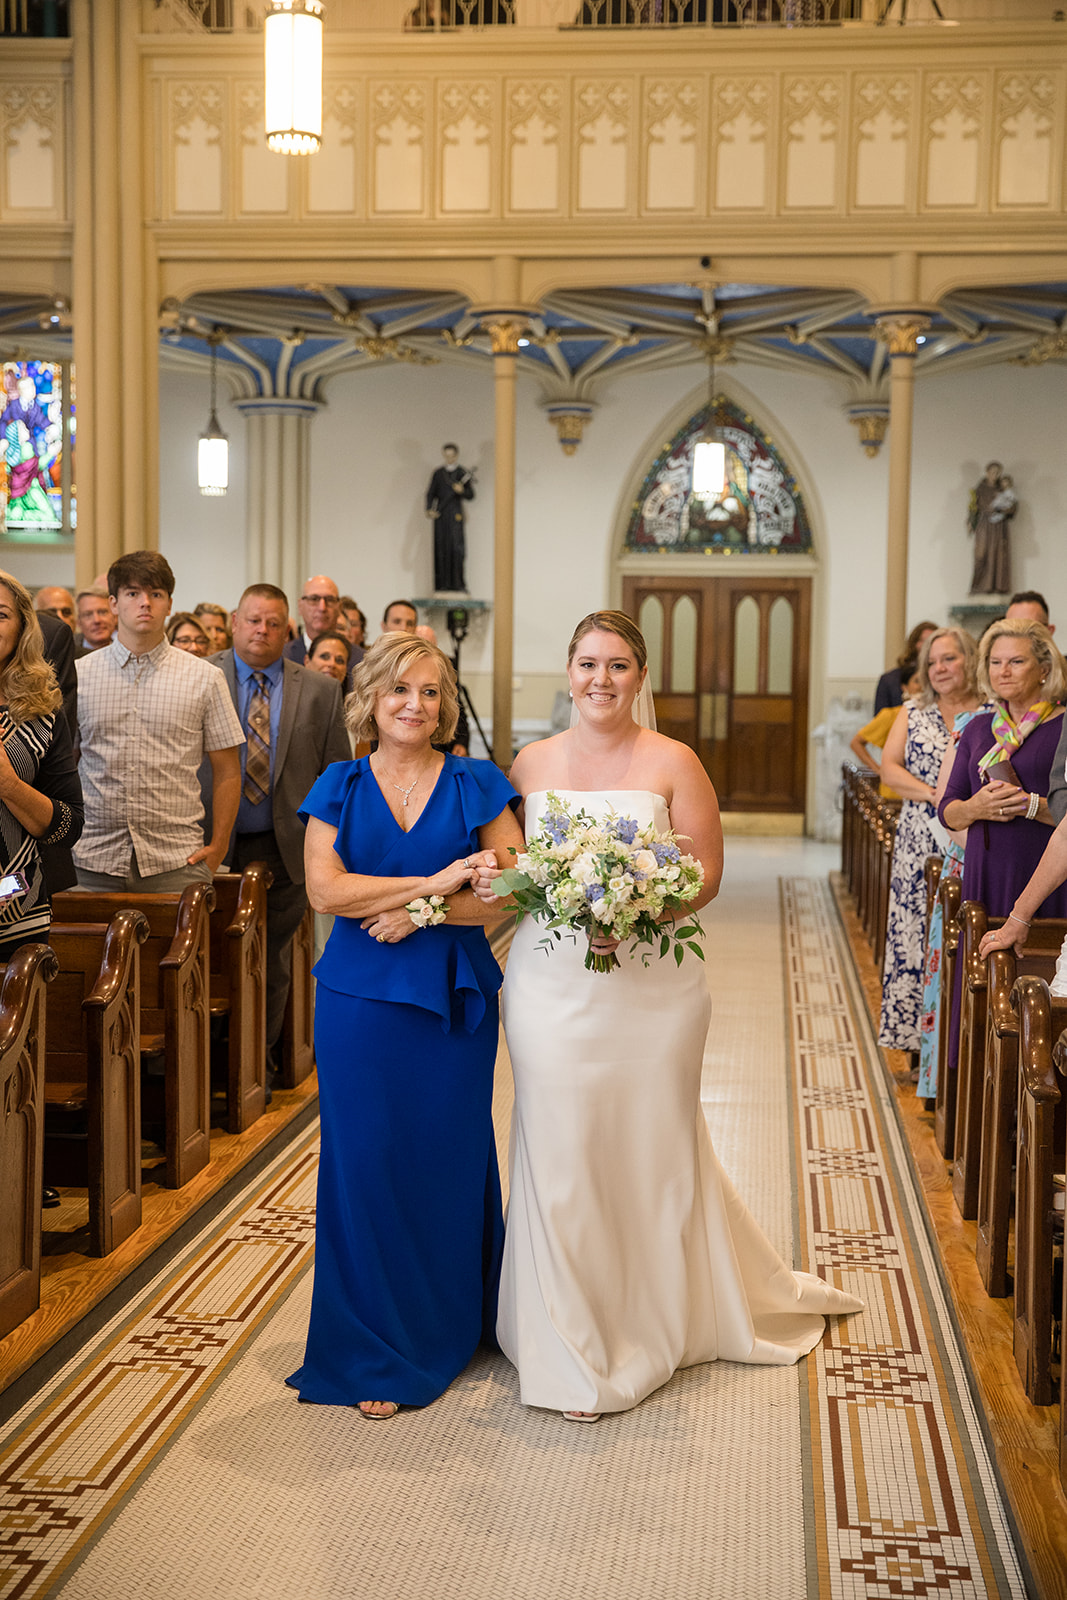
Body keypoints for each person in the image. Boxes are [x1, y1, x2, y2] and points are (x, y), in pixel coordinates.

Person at [472, 610, 861, 1420]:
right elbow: (514, 871)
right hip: (549, 985)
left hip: (652, 991)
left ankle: (659, 1316)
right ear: (568, 670)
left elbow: (705, 872)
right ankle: (566, 1334)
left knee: (650, 1142)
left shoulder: (673, 760)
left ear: (640, 676)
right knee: (559, 1144)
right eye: (586, 663)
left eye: (617, 665)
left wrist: (636, 908)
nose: (600, 679)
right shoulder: (531, 761)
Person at [287, 632, 524, 1419]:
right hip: (357, 1002)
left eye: (428, 691)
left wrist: (416, 911)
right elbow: (324, 890)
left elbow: (517, 888)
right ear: (370, 701)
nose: (414, 705)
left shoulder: (476, 781)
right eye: (398, 690)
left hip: (450, 1000)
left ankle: (455, 1322)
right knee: (365, 1163)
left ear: (444, 703)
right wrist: (437, 880)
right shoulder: (338, 783)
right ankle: (374, 1345)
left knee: (445, 1155)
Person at [203, 584, 350, 1077]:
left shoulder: (321, 691)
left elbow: (336, 777)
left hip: (287, 846)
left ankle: (254, 1069)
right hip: (209, 841)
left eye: (272, 623)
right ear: (234, 621)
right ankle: (207, 1069)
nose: (261, 631)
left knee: (272, 960)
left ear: (286, 629)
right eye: (252, 620)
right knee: (208, 959)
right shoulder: (204, 677)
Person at [938, 618, 1067, 1072]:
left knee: (1035, 986)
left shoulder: (1062, 726)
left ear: (1043, 666)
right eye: (995, 663)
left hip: (1044, 872)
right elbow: (948, 810)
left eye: (1016, 662)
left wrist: (1029, 805)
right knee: (981, 978)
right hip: (986, 869)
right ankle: (977, 1085)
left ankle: (1029, 1086)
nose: (1003, 672)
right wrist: (976, 807)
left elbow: (1065, 814)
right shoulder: (978, 729)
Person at [74, 552, 244, 894]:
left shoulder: (205, 678)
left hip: (176, 858)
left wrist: (220, 845)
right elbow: (63, 761)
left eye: (156, 594)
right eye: (133, 593)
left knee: (180, 949)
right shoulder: (81, 675)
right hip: (92, 858)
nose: (145, 604)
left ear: (169, 603)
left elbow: (227, 770)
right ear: (113, 602)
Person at [877, 627, 981, 1056]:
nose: (939, 668)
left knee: (962, 930)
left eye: (949, 659)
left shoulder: (991, 713)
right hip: (921, 836)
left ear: (970, 660)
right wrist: (935, 794)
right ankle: (918, 1040)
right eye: (932, 662)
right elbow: (889, 768)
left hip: (972, 834)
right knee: (914, 930)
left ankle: (957, 1040)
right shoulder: (912, 711)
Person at [0, 571, 83, 959]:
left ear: (22, 628)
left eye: (0, 614)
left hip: (15, 907)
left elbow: (69, 825)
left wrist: (8, 783)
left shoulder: (42, 712)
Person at [849, 658, 920, 797]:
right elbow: (856, 742)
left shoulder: (937, 715)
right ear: (904, 686)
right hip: (896, 793)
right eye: (917, 681)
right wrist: (878, 770)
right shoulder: (890, 715)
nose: (922, 686)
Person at [425, 444, 474, 593]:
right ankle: (442, 584)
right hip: (441, 516)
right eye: (446, 455)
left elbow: (471, 494)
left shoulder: (462, 473)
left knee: (457, 549)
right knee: (441, 548)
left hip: (455, 516)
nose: (449, 458)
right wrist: (430, 509)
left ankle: (458, 583)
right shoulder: (439, 473)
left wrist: (462, 491)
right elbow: (430, 493)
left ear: (456, 455)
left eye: (452, 455)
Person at [968, 459, 1014, 596]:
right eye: (992, 472)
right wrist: (971, 521)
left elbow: (1012, 506)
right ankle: (978, 587)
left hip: (998, 527)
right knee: (981, 555)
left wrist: (1004, 510)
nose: (994, 475)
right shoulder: (979, 489)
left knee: (998, 556)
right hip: (984, 524)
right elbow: (973, 508)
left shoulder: (1002, 490)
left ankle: (995, 587)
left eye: (997, 472)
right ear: (987, 472)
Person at [873, 621, 937, 714]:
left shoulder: (942, 679)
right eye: (921, 640)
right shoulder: (889, 680)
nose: (926, 645)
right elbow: (879, 720)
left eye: (931, 641)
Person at [74, 588, 113, 653]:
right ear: (78, 622)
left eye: (102, 612)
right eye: (88, 615)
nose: (97, 620)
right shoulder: (70, 654)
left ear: (114, 616)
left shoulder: (129, 650)